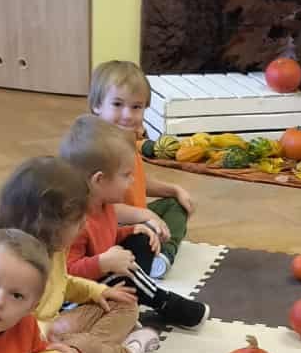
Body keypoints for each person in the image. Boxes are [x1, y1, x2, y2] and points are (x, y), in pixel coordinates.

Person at [0, 155, 145, 353]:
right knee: (80, 350)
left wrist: (97, 292)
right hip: (29, 346)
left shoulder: (54, 250)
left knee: (124, 303)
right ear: (50, 225)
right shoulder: (11, 263)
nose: (83, 227)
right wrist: (46, 336)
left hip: (56, 327)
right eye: (78, 222)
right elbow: (6, 326)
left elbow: (63, 282)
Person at [60, 114, 206, 328]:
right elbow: (67, 275)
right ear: (99, 180)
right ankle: (164, 302)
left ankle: (135, 297)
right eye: (126, 175)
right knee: (127, 276)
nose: (132, 182)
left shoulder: (105, 206)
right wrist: (102, 262)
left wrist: (131, 230)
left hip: (101, 279)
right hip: (73, 299)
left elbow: (106, 237)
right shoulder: (74, 222)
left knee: (141, 239)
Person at [88, 58, 194, 280]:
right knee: (141, 238)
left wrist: (174, 190)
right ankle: (152, 255)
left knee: (175, 205)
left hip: (136, 217)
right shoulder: (97, 149)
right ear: (97, 105)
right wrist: (146, 215)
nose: (128, 115)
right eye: (117, 104)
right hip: (111, 227)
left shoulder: (128, 140)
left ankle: (162, 255)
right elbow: (103, 210)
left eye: (136, 107)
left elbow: (138, 181)